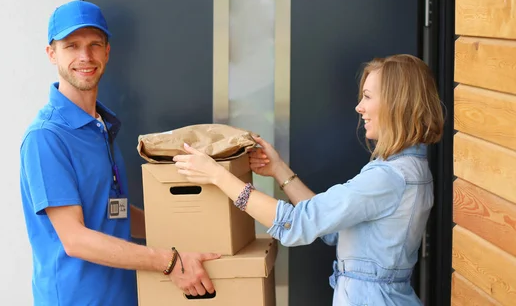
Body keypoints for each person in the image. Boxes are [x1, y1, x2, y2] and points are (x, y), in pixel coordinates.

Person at [174, 54, 444, 305]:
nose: (359, 107)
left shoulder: (388, 178)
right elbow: (328, 226)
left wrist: (219, 176)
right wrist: (279, 169)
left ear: (397, 104)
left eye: (367, 96)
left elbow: (296, 224)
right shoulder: (404, 169)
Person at [20, 0, 219, 305]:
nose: (85, 56)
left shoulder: (101, 127)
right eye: (72, 46)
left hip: (123, 295)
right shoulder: (47, 137)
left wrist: (191, 229)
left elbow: (116, 213)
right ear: (52, 54)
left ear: (107, 52)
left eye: (94, 45)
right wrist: (168, 261)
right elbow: (75, 240)